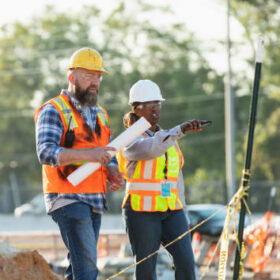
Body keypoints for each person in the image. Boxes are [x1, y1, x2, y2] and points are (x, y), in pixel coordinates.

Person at [34, 47, 124, 280]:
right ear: (71, 76)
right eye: (88, 76)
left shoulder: (101, 114)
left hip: (94, 198)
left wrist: (112, 170)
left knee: (79, 269)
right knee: (87, 270)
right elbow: (45, 152)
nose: (94, 82)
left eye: (97, 76)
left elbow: (108, 151)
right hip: (67, 197)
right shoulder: (54, 110)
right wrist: (90, 154)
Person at [117, 79, 205, 280]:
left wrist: (183, 213)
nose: (156, 110)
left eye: (158, 104)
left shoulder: (168, 138)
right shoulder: (130, 138)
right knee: (147, 269)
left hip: (172, 211)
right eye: (150, 105)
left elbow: (176, 180)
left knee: (186, 263)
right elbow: (151, 148)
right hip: (142, 212)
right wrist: (179, 131)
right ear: (137, 109)